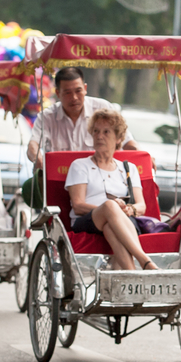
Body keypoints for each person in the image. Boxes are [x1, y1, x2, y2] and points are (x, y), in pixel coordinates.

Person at [65, 108, 156, 271]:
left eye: (106, 132)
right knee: (109, 206)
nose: (99, 136)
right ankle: (145, 261)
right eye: (96, 131)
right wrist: (111, 209)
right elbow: (78, 205)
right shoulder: (80, 165)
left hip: (124, 221)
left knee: (110, 225)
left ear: (119, 138)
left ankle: (132, 275)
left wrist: (129, 209)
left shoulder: (129, 168)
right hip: (87, 220)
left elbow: (141, 206)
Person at [27, 67, 138, 164]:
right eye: (67, 92)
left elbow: (127, 141)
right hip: (59, 178)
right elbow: (33, 144)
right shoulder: (47, 117)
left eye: (78, 91)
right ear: (57, 93)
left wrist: (144, 156)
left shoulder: (103, 108)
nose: (74, 97)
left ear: (85, 89)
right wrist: (39, 160)